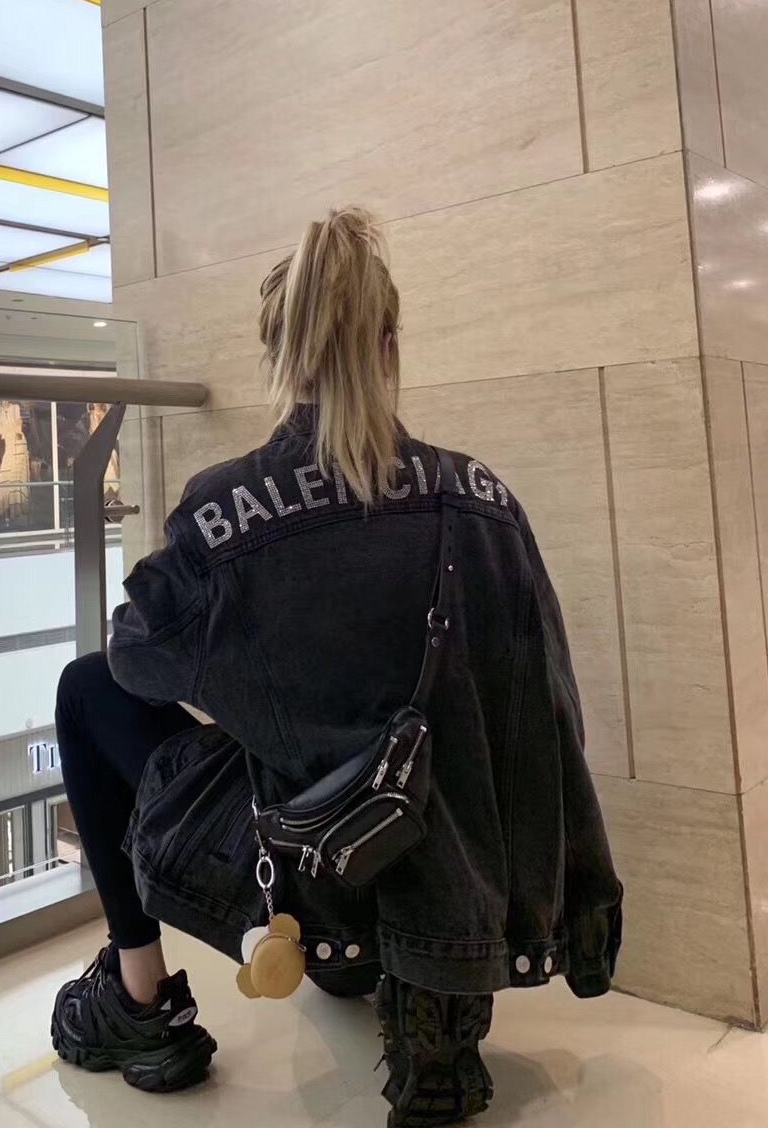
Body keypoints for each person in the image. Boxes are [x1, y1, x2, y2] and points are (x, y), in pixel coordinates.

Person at [52, 208, 622, 1125]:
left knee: (85, 689)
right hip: (455, 890)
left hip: (298, 882)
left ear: (279, 353)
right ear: (390, 346)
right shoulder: (485, 500)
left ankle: (142, 997)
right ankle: (432, 990)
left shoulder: (224, 509)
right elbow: (550, 717)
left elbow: (135, 661)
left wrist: (255, 681)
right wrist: (580, 904)